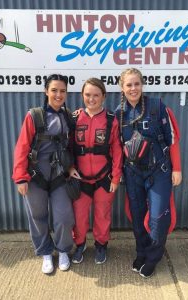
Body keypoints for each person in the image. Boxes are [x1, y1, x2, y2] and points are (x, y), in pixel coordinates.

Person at [115, 68, 182, 278]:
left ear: (142, 85)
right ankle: (141, 252)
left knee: (157, 217)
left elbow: (172, 139)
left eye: (136, 84)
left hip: (159, 171)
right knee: (136, 216)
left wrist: (177, 168)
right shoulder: (119, 113)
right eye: (129, 85)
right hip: (133, 173)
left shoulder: (157, 106)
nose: (133, 88)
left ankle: (153, 258)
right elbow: (116, 148)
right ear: (122, 87)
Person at [12, 74, 80, 274]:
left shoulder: (68, 117)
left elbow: (72, 146)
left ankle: (64, 249)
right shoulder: (34, 116)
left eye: (62, 91)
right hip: (35, 176)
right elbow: (21, 147)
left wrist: (70, 167)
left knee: (64, 216)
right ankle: (45, 252)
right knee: (38, 216)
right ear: (46, 91)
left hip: (59, 175)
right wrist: (20, 177)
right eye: (54, 90)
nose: (59, 94)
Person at [72, 78, 123, 265]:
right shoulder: (75, 118)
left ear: (104, 96)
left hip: (104, 178)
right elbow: (68, 148)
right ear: (82, 96)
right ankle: (80, 244)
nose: (91, 99)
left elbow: (117, 150)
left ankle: (101, 245)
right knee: (79, 216)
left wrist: (116, 177)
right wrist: (69, 168)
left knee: (102, 214)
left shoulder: (111, 120)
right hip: (81, 179)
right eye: (87, 95)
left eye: (96, 95)